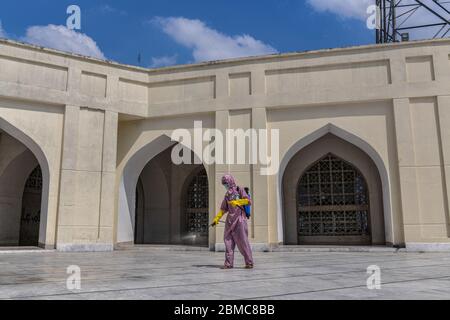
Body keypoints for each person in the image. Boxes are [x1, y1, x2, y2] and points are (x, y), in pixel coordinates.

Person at [211, 174, 254, 269]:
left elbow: (249, 201)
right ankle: (228, 263)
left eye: (226, 183)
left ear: (230, 181)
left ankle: (249, 262)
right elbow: (223, 209)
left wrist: (238, 202)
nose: (225, 185)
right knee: (228, 242)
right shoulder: (227, 195)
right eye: (224, 184)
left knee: (243, 242)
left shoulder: (240, 190)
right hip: (229, 222)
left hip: (240, 220)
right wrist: (216, 218)